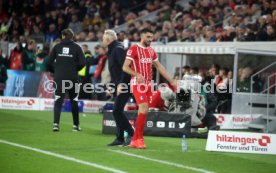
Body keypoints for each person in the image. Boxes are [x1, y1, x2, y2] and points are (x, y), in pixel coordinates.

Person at [122, 28, 176, 149]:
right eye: (148, 37)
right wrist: (137, 74)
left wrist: (171, 80)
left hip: (148, 85)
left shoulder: (151, 51)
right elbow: (125, 67)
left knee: (144, 111)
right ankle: (139, 139)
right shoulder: (133, 49)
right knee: (144, 108)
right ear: (142, 36)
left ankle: (135, 140)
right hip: (137, 83)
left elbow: (159, 66)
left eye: (151, 37)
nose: (150, 39)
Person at [47, 28, 86, 132]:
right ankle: (76, 126)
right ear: (72, 37)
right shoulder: (77, 47)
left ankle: (55, 124)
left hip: (59, 77)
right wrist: (74, 68)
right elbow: (83, 62)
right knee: (74, 101)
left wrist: (55, 70)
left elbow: (49, 62)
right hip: (73, 78)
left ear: (63, 36)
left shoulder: (57, 47)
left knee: (58, 100)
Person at [102, 29, 134, 146]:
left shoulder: (118, 49)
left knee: (116, 111)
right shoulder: (112, 50)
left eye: (103, 39)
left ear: (108, 40)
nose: (102, 41)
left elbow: (126, 68)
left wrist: (121, 84)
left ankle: (131, 133)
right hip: (118, 85)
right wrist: (111, 86)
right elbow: (115, 72)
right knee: (117, 111)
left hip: (124, 85)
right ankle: (120, 138)